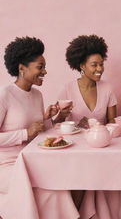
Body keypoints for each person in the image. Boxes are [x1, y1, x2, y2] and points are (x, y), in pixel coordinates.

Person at [0, 37, 79, 219]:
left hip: (31, 160)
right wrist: (24, 133)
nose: (44, 71)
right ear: (22, 68)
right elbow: (29, 132)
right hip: (6, 166)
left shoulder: (37, 95)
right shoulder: (5, 95)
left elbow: (38, 133)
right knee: (44, 186)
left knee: (58, 187)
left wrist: (56, 118)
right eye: (40, 67)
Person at [56, 34, 121, 219]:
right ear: (81, 66)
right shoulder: (68, 88)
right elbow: (57, 125)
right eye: (94, 65)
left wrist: (98, 127)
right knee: (79, 174)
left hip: (101, 146)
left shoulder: (107, 88)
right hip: (76, 149)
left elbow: (113, 124)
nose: (100, 69)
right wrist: (66, 118)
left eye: (101, 64)